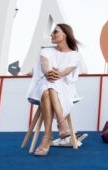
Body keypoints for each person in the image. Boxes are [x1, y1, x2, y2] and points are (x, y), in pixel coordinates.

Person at [27, 23, 82, 156]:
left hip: (65, 88)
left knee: (49, 87)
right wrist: (48, 73)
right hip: (44, 84)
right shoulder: (46, 51)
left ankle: (47, 136)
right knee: (48, 85)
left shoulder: (74, 55)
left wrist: (57, 74)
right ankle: (62, 124)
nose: (51, 34)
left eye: (55, 32)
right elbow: (45, 66)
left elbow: (66, 72)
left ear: (65, 35)